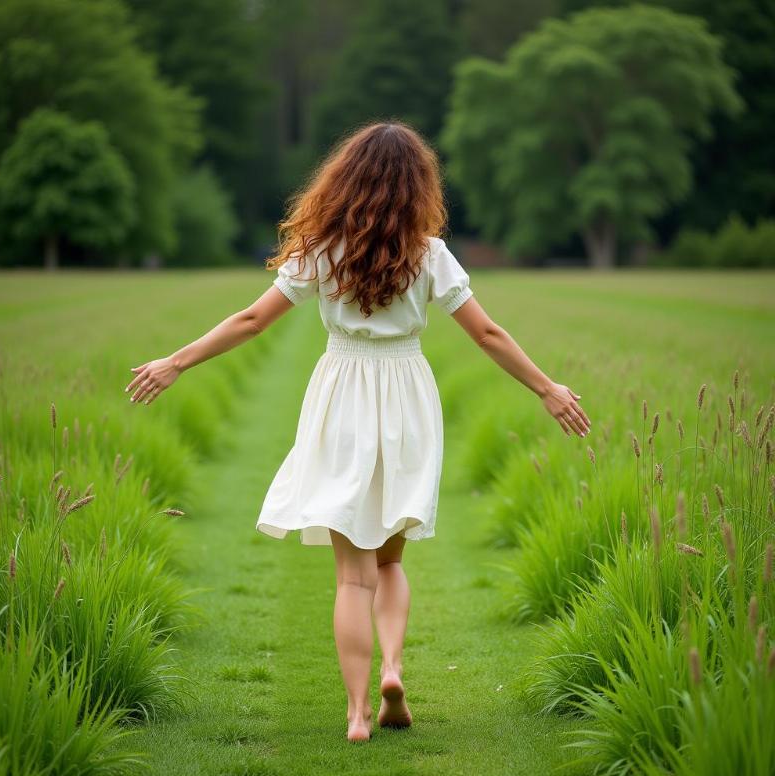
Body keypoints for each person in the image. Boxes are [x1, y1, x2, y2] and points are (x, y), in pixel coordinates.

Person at [123, 121, 591, 743]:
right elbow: (487, 334)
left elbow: (252, 319)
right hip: (407, 398)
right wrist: (547, 389)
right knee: (392, 560)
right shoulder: (430, 253)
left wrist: (174, 362)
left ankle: (356, 714)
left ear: (343, 179)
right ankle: (394, 670)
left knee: (353, 575)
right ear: (418, 186)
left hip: (341, 392)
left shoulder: (321, 249)